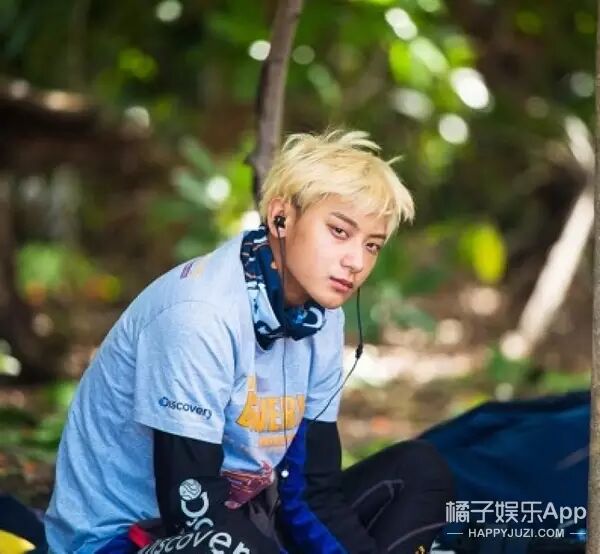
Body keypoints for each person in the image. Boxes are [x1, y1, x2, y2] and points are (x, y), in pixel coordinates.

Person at [45, 129, 454, 554]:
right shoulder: (200, 314)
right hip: (130, 539)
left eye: (371, 245)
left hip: (244, 519)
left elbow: (309, 491)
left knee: (418, 470)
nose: (356, 262)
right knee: (222, 544)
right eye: (339, 231)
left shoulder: (322, 316)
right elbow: (191, 508)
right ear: (281, 217)